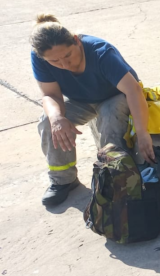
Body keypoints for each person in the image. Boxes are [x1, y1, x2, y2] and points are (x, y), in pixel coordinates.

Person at [30, 14, 153, 206]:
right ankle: (63, 180)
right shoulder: (40, 57)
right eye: (55, 62)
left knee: (109, 114)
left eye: (67, 56)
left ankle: (114, 175)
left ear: (76, 41)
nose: (64, 64)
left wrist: (143, 134)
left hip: (115, 97)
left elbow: (133, 90)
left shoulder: (100, 52)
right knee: (48, 122)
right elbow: (51, 95)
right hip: (81, 101)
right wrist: (56, 117)